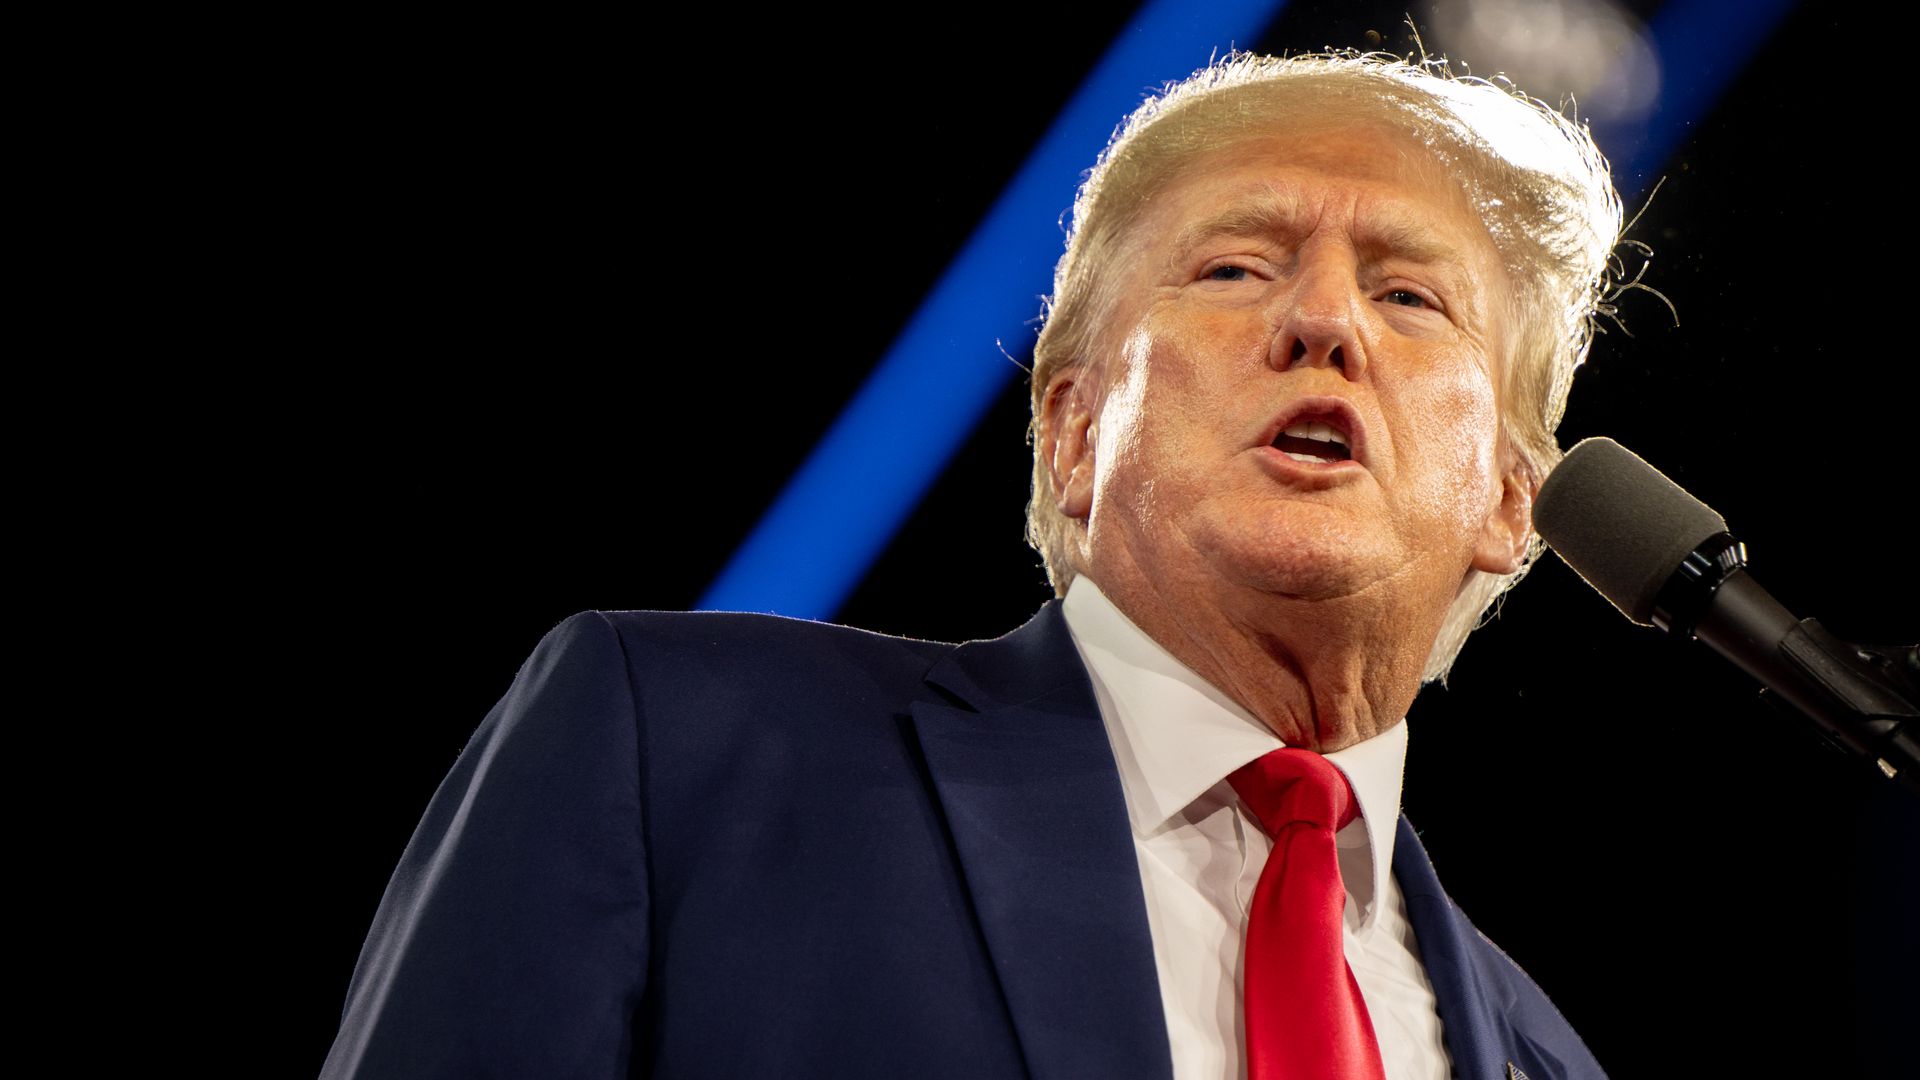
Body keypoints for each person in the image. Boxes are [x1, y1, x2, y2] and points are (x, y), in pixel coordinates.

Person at [322, 50, 1621, 1079]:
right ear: (1069, 430)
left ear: (1513, 497)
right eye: (1235, 265)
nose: (1324, 320)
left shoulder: (1537, 1054)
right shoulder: (677, 748)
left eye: (1409, 296)